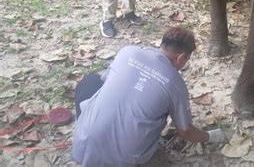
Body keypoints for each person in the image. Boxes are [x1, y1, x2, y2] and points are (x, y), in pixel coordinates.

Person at [72, 27, 227, 166]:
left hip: (82, 144)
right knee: (162, 110)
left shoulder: (128, 51)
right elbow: (185, 131)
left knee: (92, 81)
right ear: (181, 57)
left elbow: (105, 82)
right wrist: (210, 136)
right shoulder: (176, 84)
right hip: (123, 160)